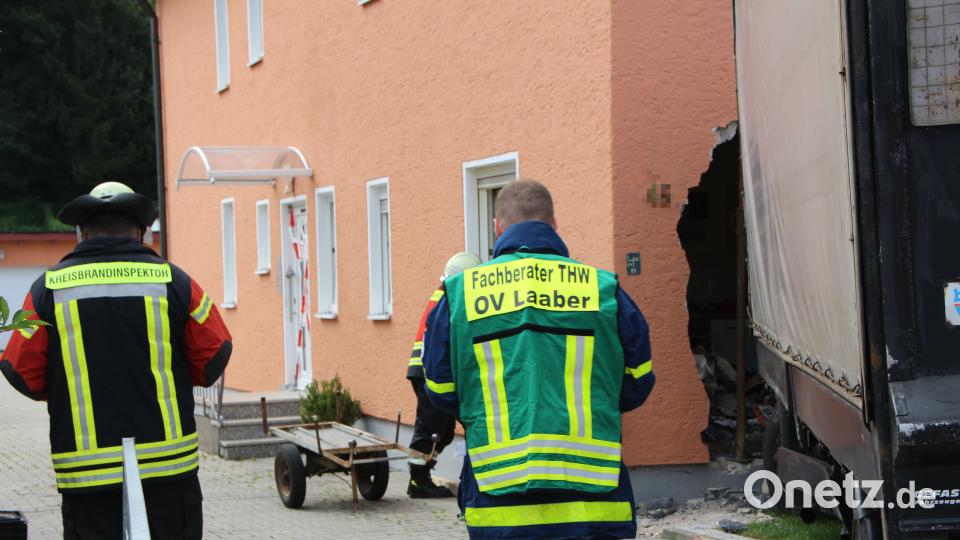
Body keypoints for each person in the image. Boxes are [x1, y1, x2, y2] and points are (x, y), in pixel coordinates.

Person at [422, 180, 655, 539]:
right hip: (593, 504)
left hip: (500, 505)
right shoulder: (603, 288)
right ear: (555, 224)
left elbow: (439, 390)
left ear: (498, 227)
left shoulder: (460, 295)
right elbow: (638, 382)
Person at [0, 182, 232, 539]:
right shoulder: (174, 281)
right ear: (140, 232)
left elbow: (20, 370)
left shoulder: (48, 288)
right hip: (167, 468)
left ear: (82, 232)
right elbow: (215, 353)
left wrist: (66, 388)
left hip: (86, 471)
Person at [406, 251, 481, 498]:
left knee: (443, 428)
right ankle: (418, 482)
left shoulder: (442, 294)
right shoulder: (449, 299)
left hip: (425, 371)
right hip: (429, 373)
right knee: (431, 427)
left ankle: (421, 476)